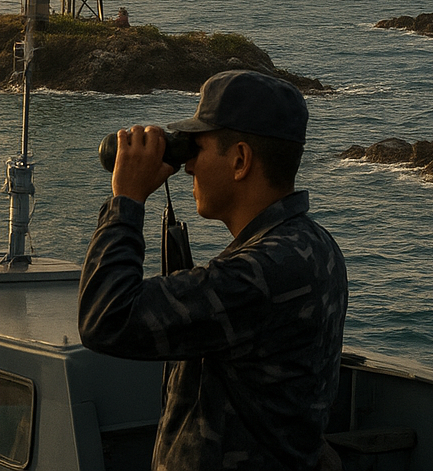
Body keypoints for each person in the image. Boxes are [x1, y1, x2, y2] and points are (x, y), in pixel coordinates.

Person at [78, 69, 348, 471]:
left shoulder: (264, 271)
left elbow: (107, 318)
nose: (187, 167)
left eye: (196, 149)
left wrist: (127, 201)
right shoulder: (314, 244)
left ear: (240, 160)